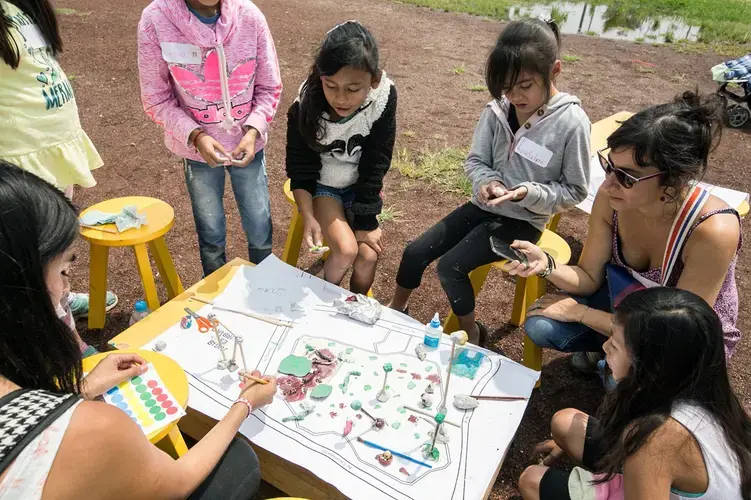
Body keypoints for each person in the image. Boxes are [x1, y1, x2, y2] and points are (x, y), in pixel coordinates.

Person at [0, 161, 277, 499]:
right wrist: (244, 405)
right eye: (63, 271)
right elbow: (176, 483)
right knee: (238, 461)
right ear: (19, 287)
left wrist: (83, 389)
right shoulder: (93, 429)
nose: (66, 291)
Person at [510, 91, 741, 377]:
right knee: (540, 325)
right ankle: (610, 353)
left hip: (676, 339)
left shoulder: (711, 229)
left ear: (673, 181)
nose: (607, 185)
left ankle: (616, 364)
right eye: (609, 166)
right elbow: (590, 277)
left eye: (626, 177)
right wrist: (546, 265)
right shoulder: (613, 200)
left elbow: (678, 332)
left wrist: (582, 314)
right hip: (625, 305)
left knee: (628, 383)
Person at [388, 18, 590, 345]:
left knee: (451, 267)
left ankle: (472, 333)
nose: (514, 96)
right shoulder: (497, 110)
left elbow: (575, 190)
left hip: (524, 220)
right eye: (505, 87)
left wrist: (527, 192)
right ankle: (396, 309)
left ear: (555, 70)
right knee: (414, 252)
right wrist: (487, 180)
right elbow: (476, 160)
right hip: (483, 205)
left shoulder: (572, 123)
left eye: (524, 85)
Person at [518, 287, 751, 500]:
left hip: (655, 469)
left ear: (650, 366)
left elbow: (654, 448)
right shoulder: (700, 388)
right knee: (564, 424)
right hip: (665, 477)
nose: (605, 347)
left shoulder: (655, 438)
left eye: (616, 345)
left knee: (532, 481)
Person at [138, 0, 282, 276]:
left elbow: (269, 86)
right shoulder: (156, 19)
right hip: (198, 152)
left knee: (260, 230)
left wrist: (253, 130)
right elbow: (155, 98)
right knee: (211, 233)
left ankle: (267, 287)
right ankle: (215, 295)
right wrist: (196, 136)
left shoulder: (249, 16)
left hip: (248, 145)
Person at [0, 0, 117, 320]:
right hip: (20, 160)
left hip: (52, 151)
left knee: (54, 253)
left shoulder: (21, 5)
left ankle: (60, 306)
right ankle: (59, 339)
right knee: (31, 263)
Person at [286, 20, 397, 294]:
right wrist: (308, 214)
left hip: (359, 185)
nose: (341, 98)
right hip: (325, 185)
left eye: (352, 88)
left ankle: (354, 309)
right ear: (320, 76)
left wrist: (367, 220)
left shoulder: (383, 98)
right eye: (331, 85)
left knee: (368, 257)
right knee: (346, 251)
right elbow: (299, 168)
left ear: (374, 80)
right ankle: (323, 305)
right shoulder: (305, 104)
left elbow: (377, 162)